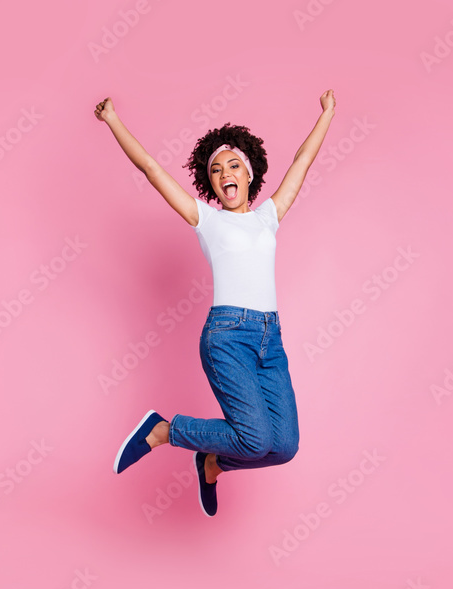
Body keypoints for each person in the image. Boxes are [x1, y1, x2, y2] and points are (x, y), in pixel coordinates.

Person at [97, 90, 336, 516]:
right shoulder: (206, 220)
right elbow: (152, 170)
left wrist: (328, 114)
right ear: (211, 184)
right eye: (215, 170)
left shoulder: (268, 217)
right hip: (226, 337)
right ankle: (163, 431)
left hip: (270, 341)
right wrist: (114, 119)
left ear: (249, 175)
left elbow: (302, 161)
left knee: (284, 446)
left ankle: (212, 463)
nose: (224, 173)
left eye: (233, 166)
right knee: (256, 438)